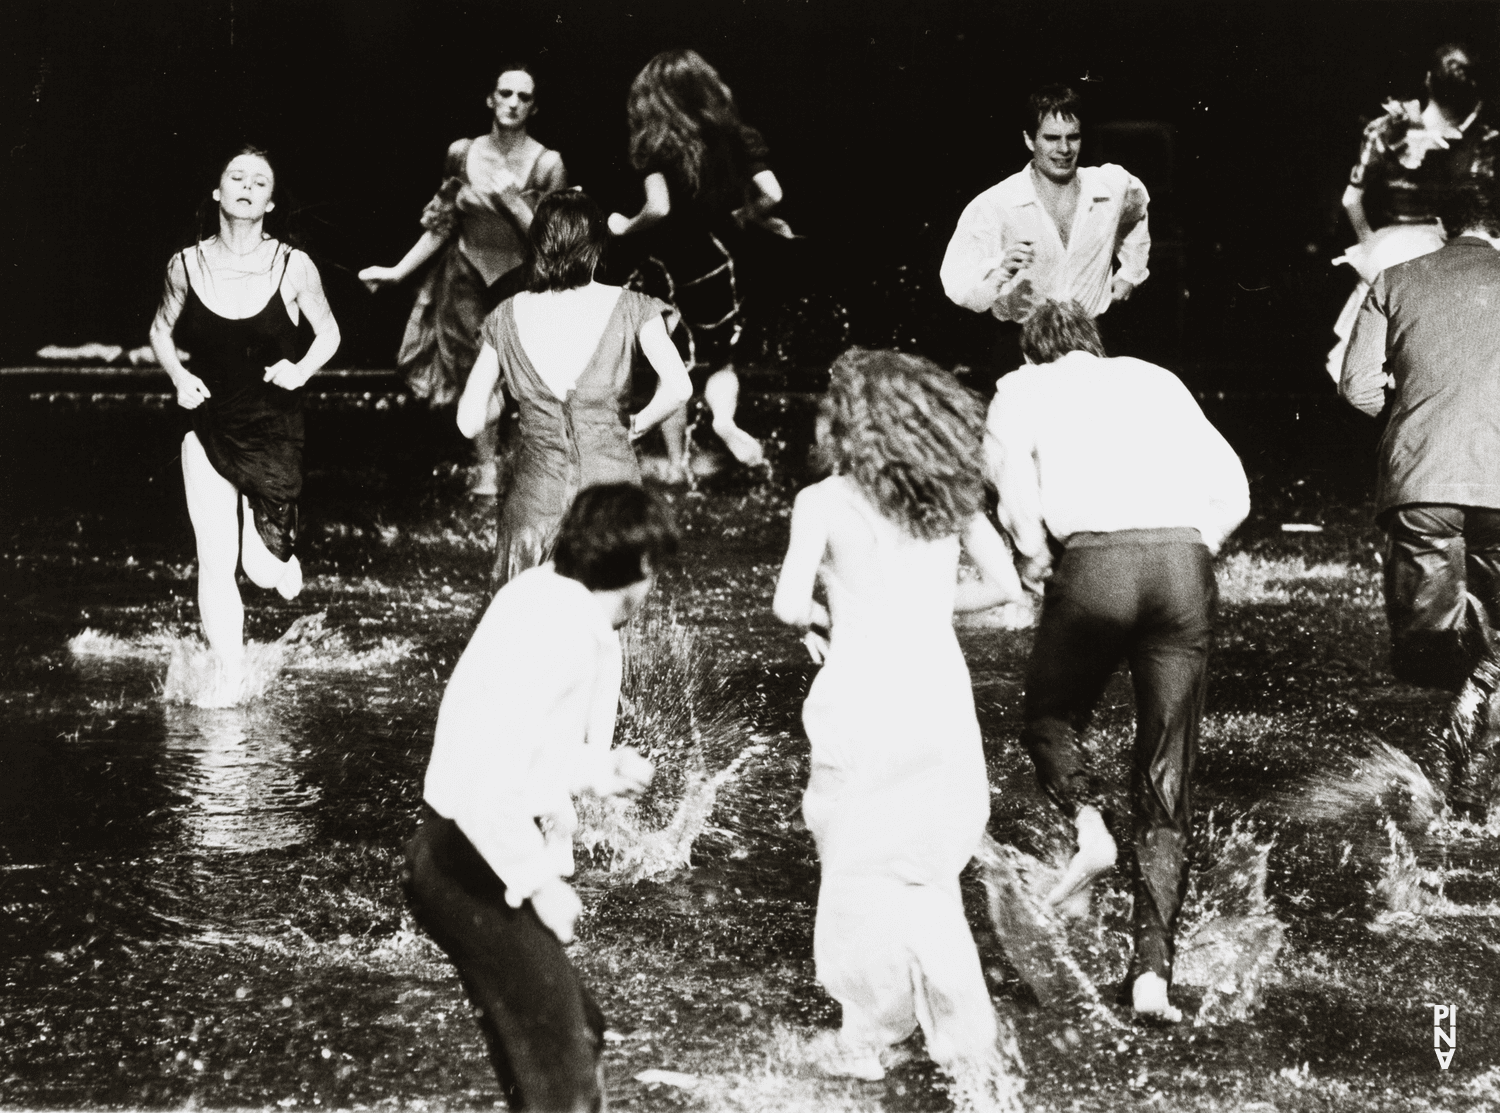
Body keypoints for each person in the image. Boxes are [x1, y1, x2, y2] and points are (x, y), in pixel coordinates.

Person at [984, 300, 1249, 1023]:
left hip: (1095, 562)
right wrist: (1192, 551)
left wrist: (1042, 567)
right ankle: (1152, 976)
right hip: (1182, 564)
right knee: (1168, 774)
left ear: (1030, 350)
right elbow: (1235, 487)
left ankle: (1089, 826)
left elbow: (1014, 497)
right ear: (1094, 344)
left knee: (1049, 717)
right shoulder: (1158, 378)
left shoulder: (1021, 388)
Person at [773, 349, 1025, 1083]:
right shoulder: (952, 501)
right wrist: (925, 603)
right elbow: (1006, 585)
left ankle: (871, 1036)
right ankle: (964, 1041)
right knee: (923, 864)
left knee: (857, 860)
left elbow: (789, 603)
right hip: (938, 690)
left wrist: (828, 612)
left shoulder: (822, 501)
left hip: (861, 689)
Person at [404, 483, 675, 1112]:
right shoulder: (563, 628)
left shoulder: (540, 596)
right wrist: (540, 883)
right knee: (565, 1087)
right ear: (636, 567)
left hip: (451, 851)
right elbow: (484, 778)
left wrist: (599, 769)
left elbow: (516, 748)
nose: (653, 587)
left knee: (576, 1037)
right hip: (468, 861)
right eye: (654, 569)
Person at [1340, 133, 1500, 822]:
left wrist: (1411, 419)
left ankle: (1462, 783)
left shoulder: (1396, 280)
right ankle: (1482, 719)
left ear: (1443, 224)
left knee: (1427, 645)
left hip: (1422, 482)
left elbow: (1355, 389)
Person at [149, 145, 341, 704]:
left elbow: (328, 333)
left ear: (271, 203)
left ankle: (278, 561)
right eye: (237, 177)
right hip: (207, 424)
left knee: (261, 573)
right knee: (215, 559)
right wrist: (178, 377)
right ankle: (228, 679)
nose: (247, 186)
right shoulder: (184, 264)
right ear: (217, 193)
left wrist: (301, 369)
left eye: (260, 182)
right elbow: (161, 330)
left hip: (273, 428)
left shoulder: (293, 265)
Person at [457, 191, 692, 587]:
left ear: (538, 246)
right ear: (598, 246)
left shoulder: (505, 316)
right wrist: (636, 425)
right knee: (608, 616)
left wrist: (513, 394)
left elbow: (468, 422)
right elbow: (679, 387)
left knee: (532, 620)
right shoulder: (634, 307)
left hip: (535, 498)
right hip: (611, 494)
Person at [360, 65, 567, 496]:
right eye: (504, 92)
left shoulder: (548, 164)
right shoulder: (462, 153)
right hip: (467, 276)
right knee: (475, 374)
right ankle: (487, 467)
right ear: (489, 98)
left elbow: (551, 241)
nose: (512, 102)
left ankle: (526, 465)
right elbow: (443, 223)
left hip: (520, 282)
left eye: (523, 96)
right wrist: (397, 272)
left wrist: (512, 200)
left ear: (534, 107)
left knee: (518, 378)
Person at [608, 48, 790, 482]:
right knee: (721, 361)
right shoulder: (737, 136)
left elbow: (659, 208)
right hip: (717, 259)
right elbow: (774, 194)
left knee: (668, 365)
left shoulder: (654, 143)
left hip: (667, 265)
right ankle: (724, 421)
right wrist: (747, 216)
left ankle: (675, 463)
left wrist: (623, 227)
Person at [941, 84, 1150, 372]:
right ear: (1029, 139)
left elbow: (1137, 209)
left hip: (1093, 344)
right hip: (1021, 347)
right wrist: (998, 270)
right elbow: (957, 285)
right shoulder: (996, 204)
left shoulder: (1110, 186)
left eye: (1072, 137)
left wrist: (1131, 273)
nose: (1064, 149)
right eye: (1051, 138)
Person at [1328, 43, 1485, 382]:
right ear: (1428, 79)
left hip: (1457, 244)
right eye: (1450, 69)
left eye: (1463, 71)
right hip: (1401, 245)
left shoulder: (1480, 137)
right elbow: (1350, 198)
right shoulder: (1388, 130)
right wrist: (1369, 245)